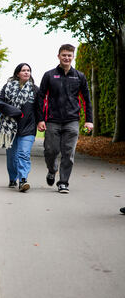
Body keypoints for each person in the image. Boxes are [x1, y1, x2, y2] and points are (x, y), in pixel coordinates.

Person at [37, 44, 93, 194]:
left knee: (68, 153)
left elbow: (87, 99)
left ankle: (63, 182)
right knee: (50, 150)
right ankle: (51, 170)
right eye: (64, 55)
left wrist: (89, 120)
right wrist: (40, 119)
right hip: (52, 120)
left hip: (72, 120)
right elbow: (41, 98)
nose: (66, 58)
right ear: (58, 56)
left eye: (69, 55)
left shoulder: (79, 76)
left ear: (72, 57)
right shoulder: (49, 75)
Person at [0, 63, 40, 192]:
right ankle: (13, 177)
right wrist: (14, 111)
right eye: (23, 70)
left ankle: (23, 180)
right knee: (12, 157)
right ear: (17, 73)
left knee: (23, 154)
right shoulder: (8, 87)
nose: (26, 72)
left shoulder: (35, 90)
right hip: (10, 128)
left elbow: (39, 108)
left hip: (28, 127)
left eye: (28, 70)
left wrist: (41, 121)